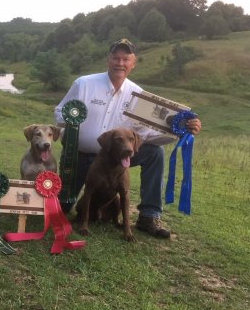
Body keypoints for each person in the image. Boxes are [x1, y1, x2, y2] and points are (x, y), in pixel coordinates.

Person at [54, 39, 202, 238]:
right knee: (62, 209)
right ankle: (72, 202)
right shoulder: (84, 84)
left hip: (115, 160)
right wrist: (71, 122)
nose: (120, 63)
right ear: (108, 60)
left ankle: (149, 216)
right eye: (116, 58)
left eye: (126, 59)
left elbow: (145, 134)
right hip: (80, 157)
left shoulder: (138, 95)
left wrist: (180, 131)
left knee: (154, 153)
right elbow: (59, 113)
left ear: (134, 63)